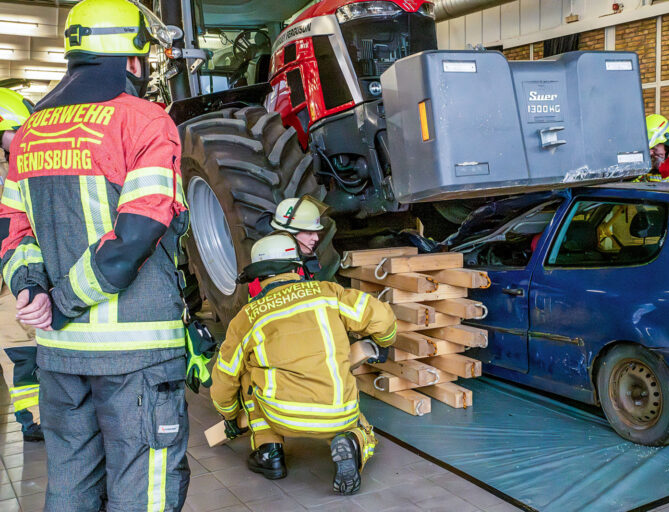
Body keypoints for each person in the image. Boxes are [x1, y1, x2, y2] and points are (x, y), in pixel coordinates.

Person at [0, 0, 191, 509]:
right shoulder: (145, 120)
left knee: (70, 485)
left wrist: (31, 291)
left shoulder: (30, 133)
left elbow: (12, 231)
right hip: (136, 355)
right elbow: (135, 235)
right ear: (132, 58)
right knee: (142, 490)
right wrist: (61, 300)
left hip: (59, 355)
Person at [211, 231, 396, 495]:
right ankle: (353, 442)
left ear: (259, 276)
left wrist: (229, 415)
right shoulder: (328, 294)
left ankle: (269, 452)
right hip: (337, 412)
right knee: (359, 426)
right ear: (296, 266)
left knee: (248, 374)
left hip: (281, 415)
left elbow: (224, 377)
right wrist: (384, 342)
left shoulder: (247, 317)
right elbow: (383, 319)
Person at [0, 88, 44, 442]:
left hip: (23, 270)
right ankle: (33, 419)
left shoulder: (18, 164)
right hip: (7, 282)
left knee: (34, 349)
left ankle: (44, 415)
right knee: (20, 353)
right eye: (16, 132)